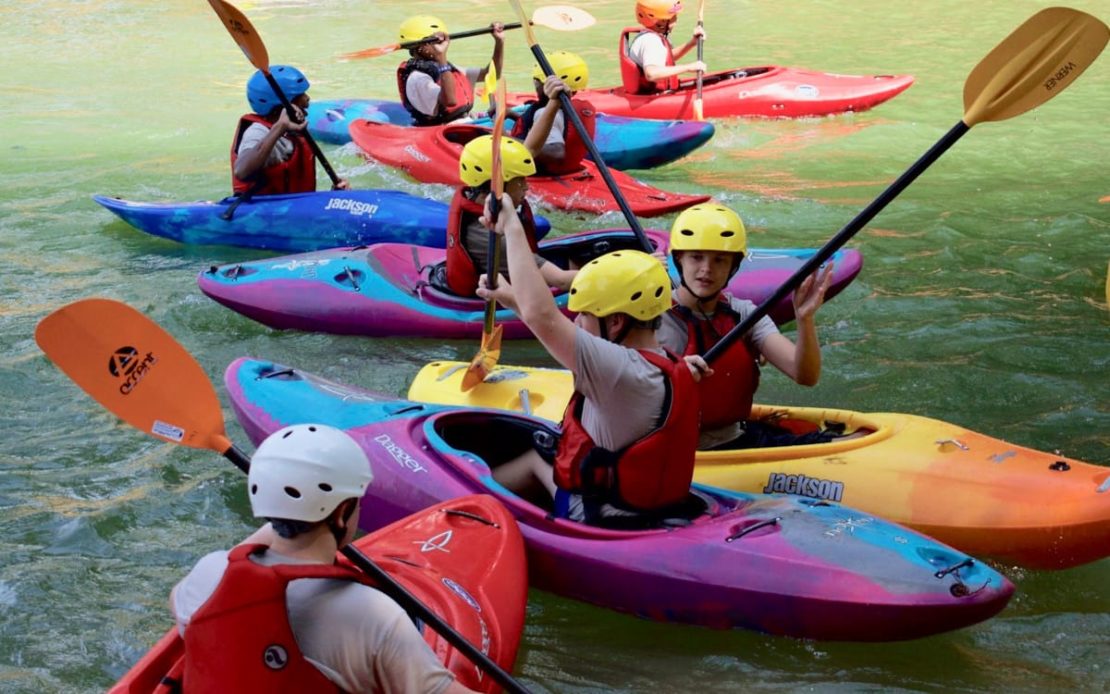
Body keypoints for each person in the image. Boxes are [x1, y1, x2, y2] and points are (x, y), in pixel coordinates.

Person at [170, 423, 478, 693]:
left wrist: (280, 515)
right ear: (343, 513)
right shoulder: (372, 614)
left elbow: (185, 605)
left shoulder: (206, 575)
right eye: (357, 502)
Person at [477, 195, 708, 526]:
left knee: (516, 468)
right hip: (645, 508)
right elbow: (545, 322)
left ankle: (471, 508)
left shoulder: (614, 369)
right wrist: (509, 297)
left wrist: (512, 226)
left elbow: (543, 317)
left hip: (598, 517)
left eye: (583, 315)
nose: (575, 323)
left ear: (615, 322)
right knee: (540, 457)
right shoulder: (666, 362)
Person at [661, 202, 839, 450]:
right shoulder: (650, 317)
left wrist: (805, 319)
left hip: (734, 439)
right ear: (679, 258)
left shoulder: (744, 315)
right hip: (675, 450)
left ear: (733, 266)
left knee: (836, 437)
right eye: (696, 257)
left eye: (719, 260)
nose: (706, 269)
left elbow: (805, 375)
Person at [445, 134, 576, 296]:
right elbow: (561, 281)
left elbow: (532, 148)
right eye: (520, 181)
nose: (526, 187)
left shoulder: (475, 197)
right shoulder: (493, 239)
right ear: (497, 185)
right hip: (502, 298)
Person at [232, 65, 349, 195]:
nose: (307, 98)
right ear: (280, 105)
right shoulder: (258, 132)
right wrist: (280, 127)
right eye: (300, 95)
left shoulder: (293, 133)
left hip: (291, 205)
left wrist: (333, 195)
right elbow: (241, 171)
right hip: (264, 208)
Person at [396, 15, 504, 126]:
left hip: (465, 122)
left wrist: (499, 41)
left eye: (441, 40)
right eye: (433, 40)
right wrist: (441, 56)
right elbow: (450, 101)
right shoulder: (417, 78)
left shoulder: (445, 67)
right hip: (443, 130)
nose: (439, 44)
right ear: (417, 47)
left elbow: (492, 74)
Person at [510, 50, 595, 176]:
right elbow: (551, 127)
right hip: (571, 171)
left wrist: (505, 140)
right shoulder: (565, 110)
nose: (535, 85)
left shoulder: (545, 113)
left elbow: (556, 153)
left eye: (536, 81)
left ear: (548, 85)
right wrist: (513, 115)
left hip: (543, 176)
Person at [620, 0, 707, 95]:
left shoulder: (648, 36)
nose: (676, 20)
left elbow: (664, 57)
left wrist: (692, 43)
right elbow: (651, 74)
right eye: (673, 17)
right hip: (652, 97)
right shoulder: (651, 41)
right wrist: (688, 68)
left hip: (657, 94)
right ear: (662, 21)